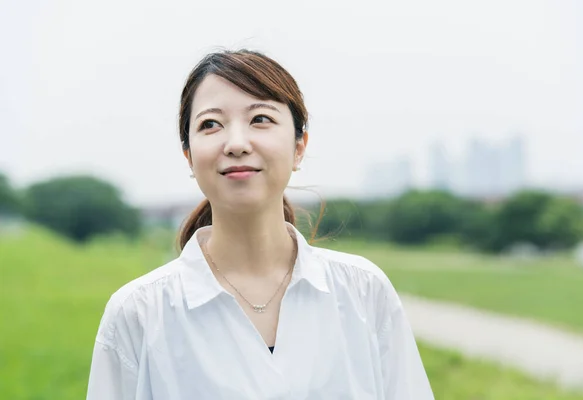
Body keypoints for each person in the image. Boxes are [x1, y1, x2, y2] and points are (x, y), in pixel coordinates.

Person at [86, 49, 434, 399]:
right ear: (189, 156)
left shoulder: (363, 292)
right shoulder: (138, 314)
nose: (236, 143)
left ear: (299, 147)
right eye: (211, 124)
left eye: (260, 119)